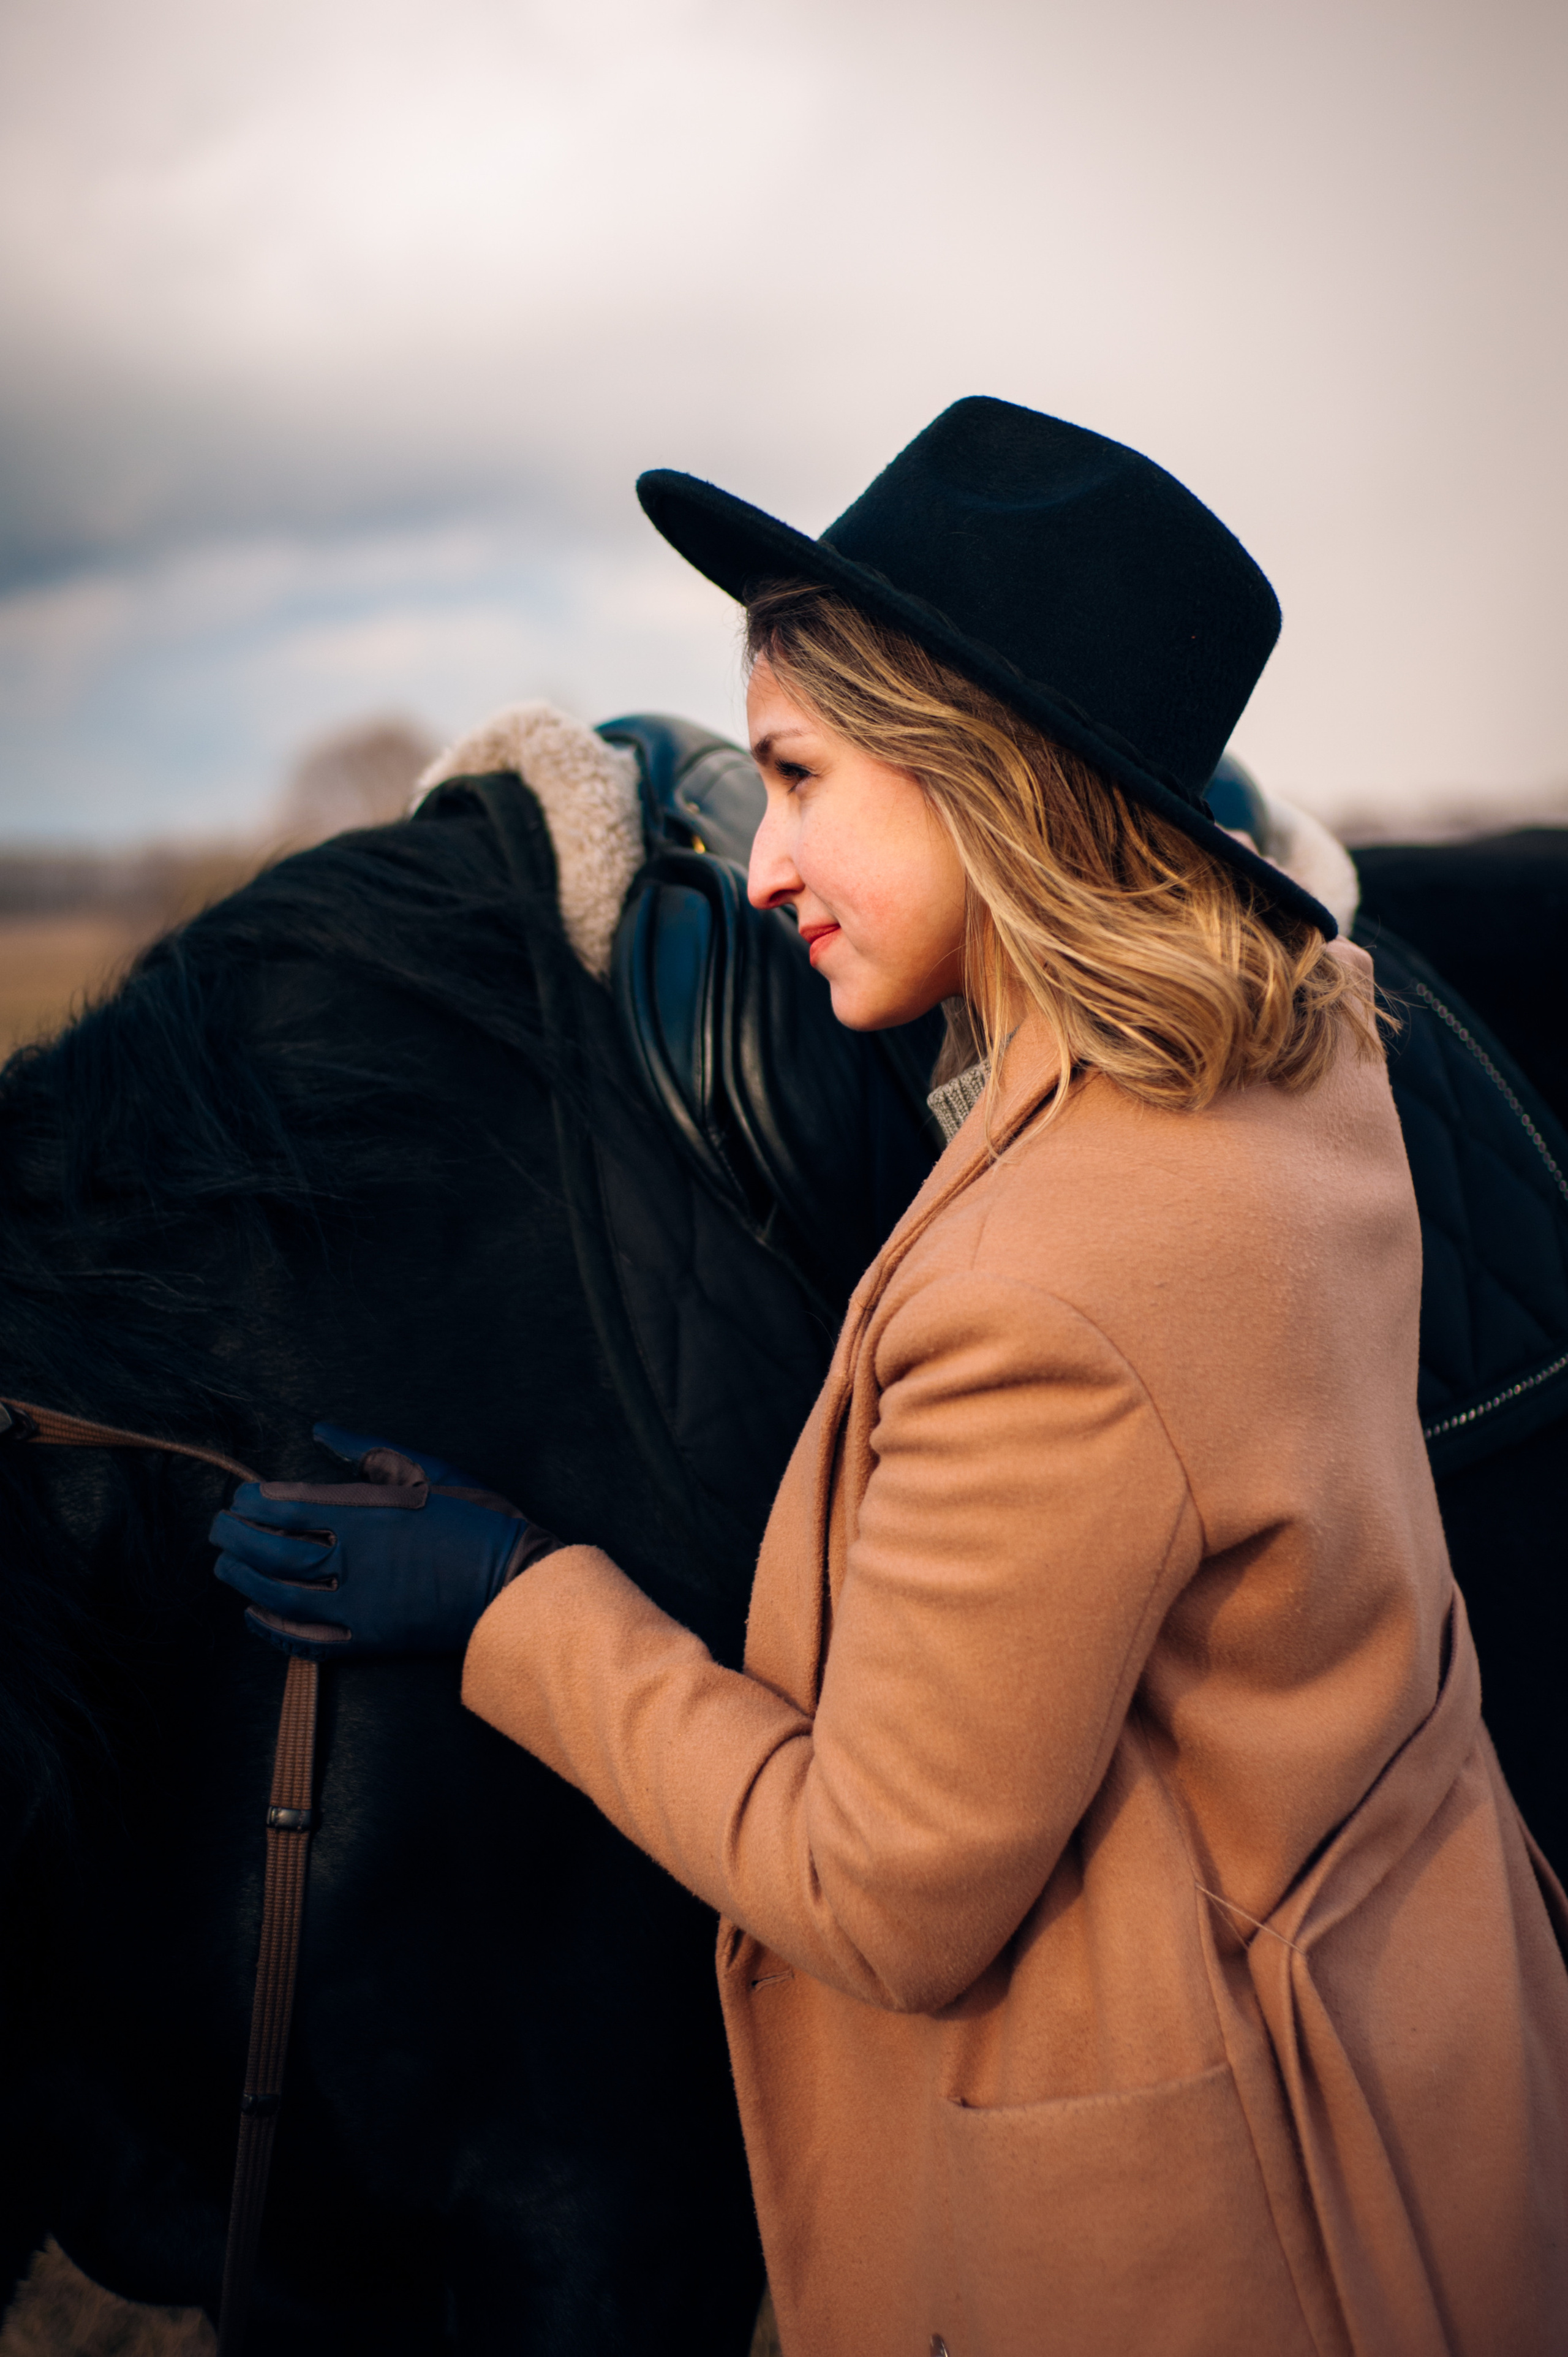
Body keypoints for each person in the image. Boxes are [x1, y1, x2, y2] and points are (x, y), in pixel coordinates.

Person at [213, 398, 1568, 2356]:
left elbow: (880, 1895)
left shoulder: (1050, 1292)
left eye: (799, 776)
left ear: (990, 780)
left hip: (1209, 2248)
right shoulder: (1307, 1050)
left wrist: (514, 1598)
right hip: (1420, 2062)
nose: (763, 869)